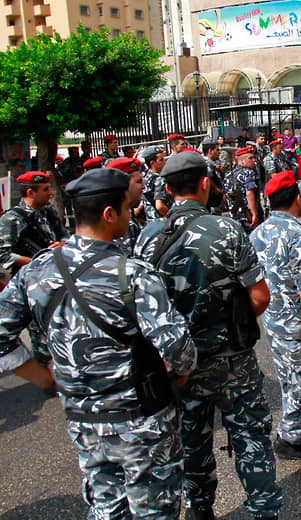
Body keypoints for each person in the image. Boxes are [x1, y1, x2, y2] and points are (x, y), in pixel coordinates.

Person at [0, 167, 197, 518]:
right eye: (125, 208)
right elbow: (177, 345)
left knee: (106, 507)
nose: (129, 214)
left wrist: (42, 376)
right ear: (109, 214)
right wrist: (180, 372)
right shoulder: (132, 273)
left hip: (83, 420)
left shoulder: (37, 270)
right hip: (141, 422)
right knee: (155, 509)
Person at [134, 151, 282, 520]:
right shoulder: (228, 228)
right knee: (251, 439)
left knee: (192, 440)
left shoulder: (147, 238)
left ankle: (200, 509)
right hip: (232, 361)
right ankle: (263, 508)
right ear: (205, 183)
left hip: (177, 365)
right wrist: (230, 324)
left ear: (166, 189)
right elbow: (260, 296)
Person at [251, 171, 301, 459]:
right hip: (298, 323)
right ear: (297, 199)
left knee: (289, 375)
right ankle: (292, 437)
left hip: (274, 319)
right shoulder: (299, 235)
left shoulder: (257, 232)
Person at [0, 171, 67, 274]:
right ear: (30, 193)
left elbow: (65, 237)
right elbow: (3, 255)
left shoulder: (48, 212)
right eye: (45, 189)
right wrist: (37, 261)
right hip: (30, 278)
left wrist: (61, 245)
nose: (50, 193)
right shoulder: (12, 218)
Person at [105, 157, 145, 255]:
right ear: (124, 186)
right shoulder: (117, 219)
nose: (143, 186)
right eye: (139, 182)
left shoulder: (126, 213)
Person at [223, 147, 261, 231]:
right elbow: (249, 193)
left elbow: (225, 196)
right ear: (242, 161)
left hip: (233, 216)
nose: (254, 160)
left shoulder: (229, 175)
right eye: (250, 158)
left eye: (254, 157)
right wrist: (254, 214)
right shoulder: (248, 173)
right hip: (246, 215)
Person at [139, 145, 168, 220]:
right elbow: (160, 206)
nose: (164, 162)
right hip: (161, 222)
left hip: (150, 223)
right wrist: (171, 218)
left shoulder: (144, 178)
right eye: (161, 160)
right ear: (152, 163)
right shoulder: (159, 179)